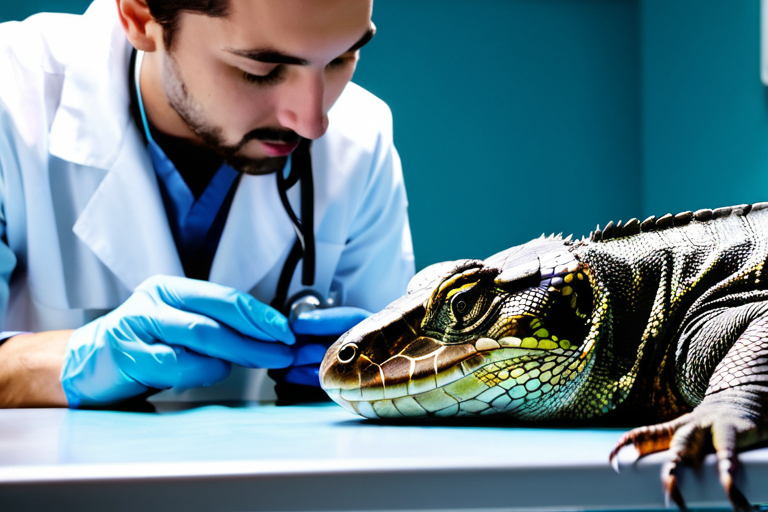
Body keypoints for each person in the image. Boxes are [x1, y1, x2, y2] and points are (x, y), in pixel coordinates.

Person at [0, 0, 414, 408]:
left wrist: (374, 378)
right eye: (261, 70)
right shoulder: (12, 94)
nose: (312, 123)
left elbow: (395, 388)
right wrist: (70, 363)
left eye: (342, 58)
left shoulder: (360, 141)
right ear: (141, 16)